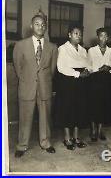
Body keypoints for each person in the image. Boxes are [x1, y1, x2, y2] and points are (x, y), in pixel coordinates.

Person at [13, 14, 58, 157]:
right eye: (37, 24)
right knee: (25, 117)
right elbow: (18, 68)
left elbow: (52, 70)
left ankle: (45, 142)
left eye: (43, 24)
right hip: (27, 87)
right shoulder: (20, 45)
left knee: (45, 117)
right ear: (32, 26)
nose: (41, 27)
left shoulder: (52, 47)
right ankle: (22, 145)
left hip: (45, 86)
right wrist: (28, 80)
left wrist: (44, 80)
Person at [55, 25, 90, 150]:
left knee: (78, 109)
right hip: (67, 82)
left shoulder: (83, 50)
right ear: (69, 34)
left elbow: (88, 64)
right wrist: (78, 73)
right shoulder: (63, 49)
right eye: (76, 33)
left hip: (81, 84)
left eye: (80, 34)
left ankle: (76, 137)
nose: (78, 36)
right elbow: (61, 67)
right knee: (67, 109)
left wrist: (87, 70)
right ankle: (67, 138)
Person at [87, 28, 111, 141]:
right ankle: (93, 130)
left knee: (104, 106)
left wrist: (108, 67)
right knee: (94, 105)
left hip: (106, 80)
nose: (103, 38)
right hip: (94, 80)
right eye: (101, 36)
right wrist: (99, 69)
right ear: (97, 37)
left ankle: (100, 130)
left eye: (105, 36)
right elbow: (88, 67)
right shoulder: (91, 51)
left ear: (108, 38)